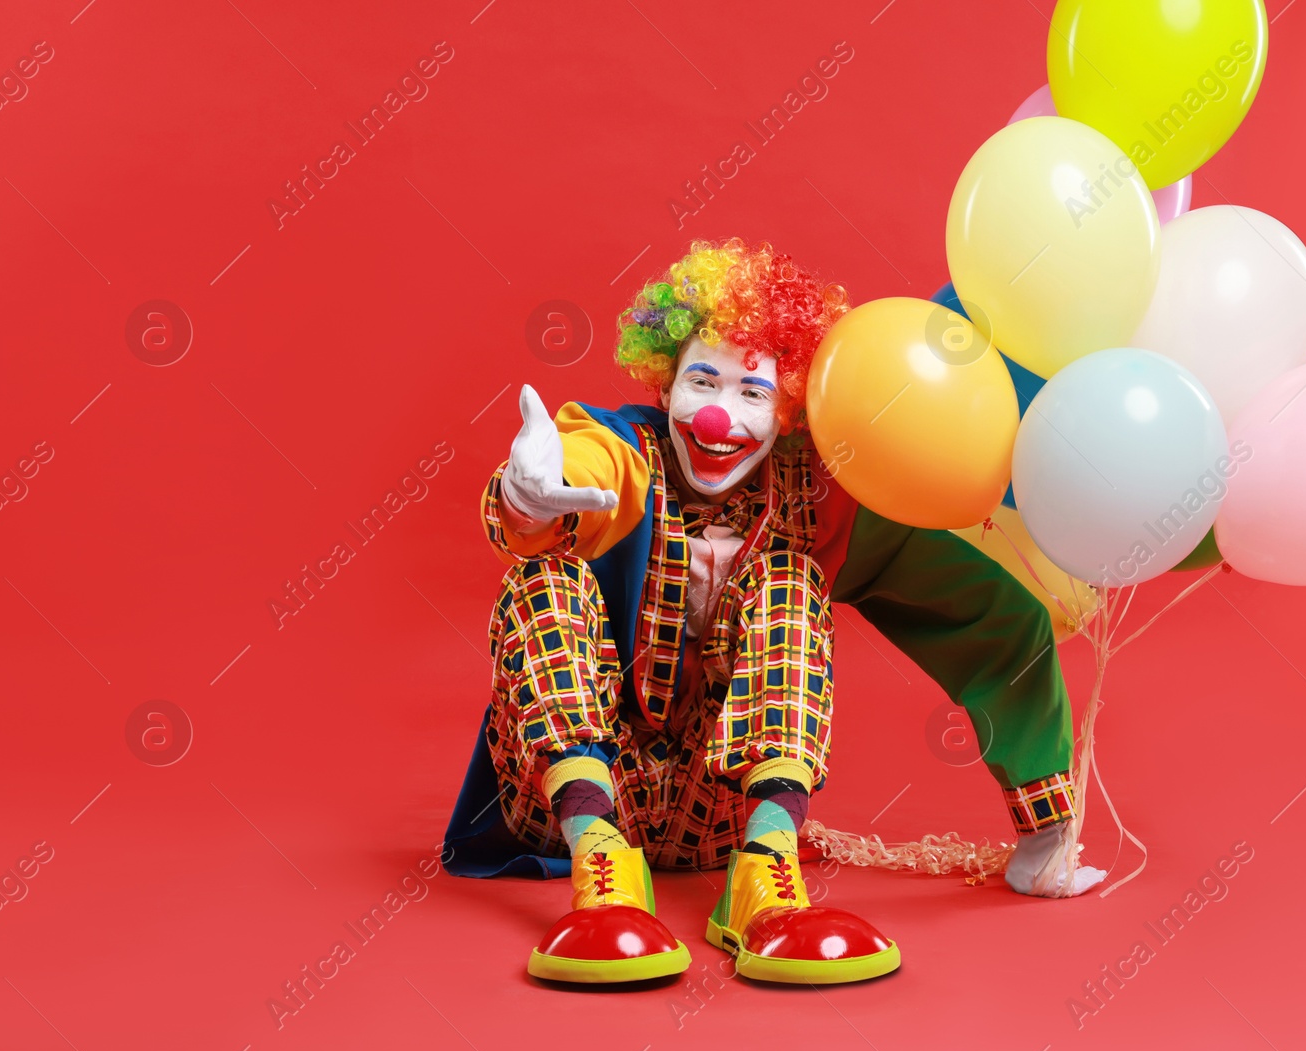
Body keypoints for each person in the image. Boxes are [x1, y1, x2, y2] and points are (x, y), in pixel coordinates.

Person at [442, 238, 1103, 986]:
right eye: (702, 380)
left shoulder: (818, 500)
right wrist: (532, 493)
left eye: (753, 394)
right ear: (663, 386)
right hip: (574, 799)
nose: (720, 418)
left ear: (789, 405)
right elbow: (591, 467)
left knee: (789, 579)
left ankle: (766, 878)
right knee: (545, 578)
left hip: (717, 819)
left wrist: (1045, 822)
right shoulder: (628, 449)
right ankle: (602, 876)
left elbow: (986, 618)